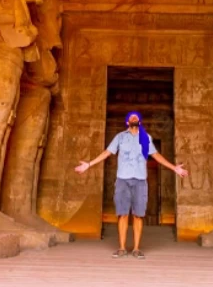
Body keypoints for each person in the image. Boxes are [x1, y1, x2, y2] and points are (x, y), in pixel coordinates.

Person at [75, 111, 188, 259]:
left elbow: (156, 155)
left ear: (139, 122)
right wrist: (89, 165)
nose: (133, 118)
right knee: (122, 214)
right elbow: (107, 153)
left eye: (136, 117)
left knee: (138, 215)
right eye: (130, 117)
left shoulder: (145, 138)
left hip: (140, 181)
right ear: (127, 122)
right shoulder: (120, 137)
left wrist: (174, 168)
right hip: (122, 180)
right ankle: (121, 248)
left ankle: (136, 249)